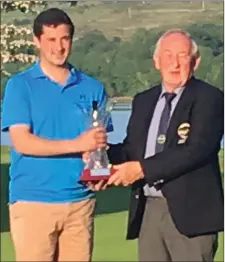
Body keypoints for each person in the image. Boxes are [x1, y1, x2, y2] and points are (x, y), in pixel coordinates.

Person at [93, 29, 224, 261]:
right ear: (156, 61)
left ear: (195, 61)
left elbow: (195, 150)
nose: (174, 63)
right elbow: (132, 149)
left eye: (182, 55)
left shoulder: (210, 98)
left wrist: (140, 169)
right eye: (168, 55)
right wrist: (100, 155)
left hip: (192, 215)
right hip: (149, 211)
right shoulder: (144, 100)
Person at [1, 8, 112, 262]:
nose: (59, 47)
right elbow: (22, 141)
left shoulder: (91, 87)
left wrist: (98, 164)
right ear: (36, 41)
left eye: (64, 39)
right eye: (51, 39)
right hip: (34, 202)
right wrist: (78, 144)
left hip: (80, 201)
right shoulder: (20, 85)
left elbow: (98, 145)